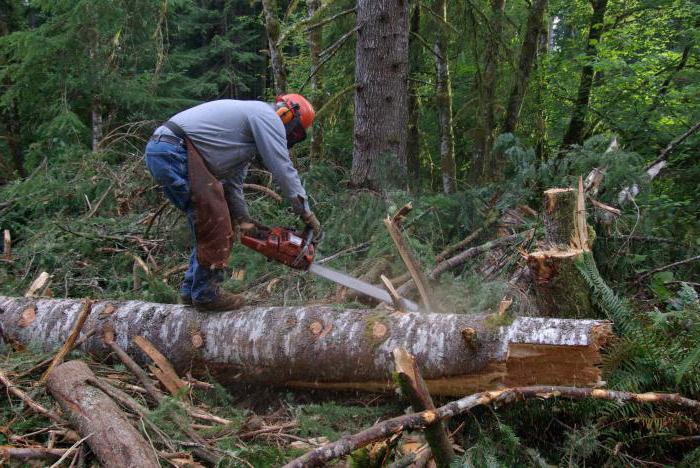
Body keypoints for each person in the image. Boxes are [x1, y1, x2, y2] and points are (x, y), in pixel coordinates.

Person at [144, 94, 322, 311]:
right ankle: (205, 294)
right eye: (293, 132)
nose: (289, 137)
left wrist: (243, 219)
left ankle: (191, 289)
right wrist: (305, 212)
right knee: (215, 221)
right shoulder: (267, 116)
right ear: (286, 115)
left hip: (165, 149)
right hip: (176, 150)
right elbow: (282, 168)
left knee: (207, 220)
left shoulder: (242, 139)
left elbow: (232, 185)